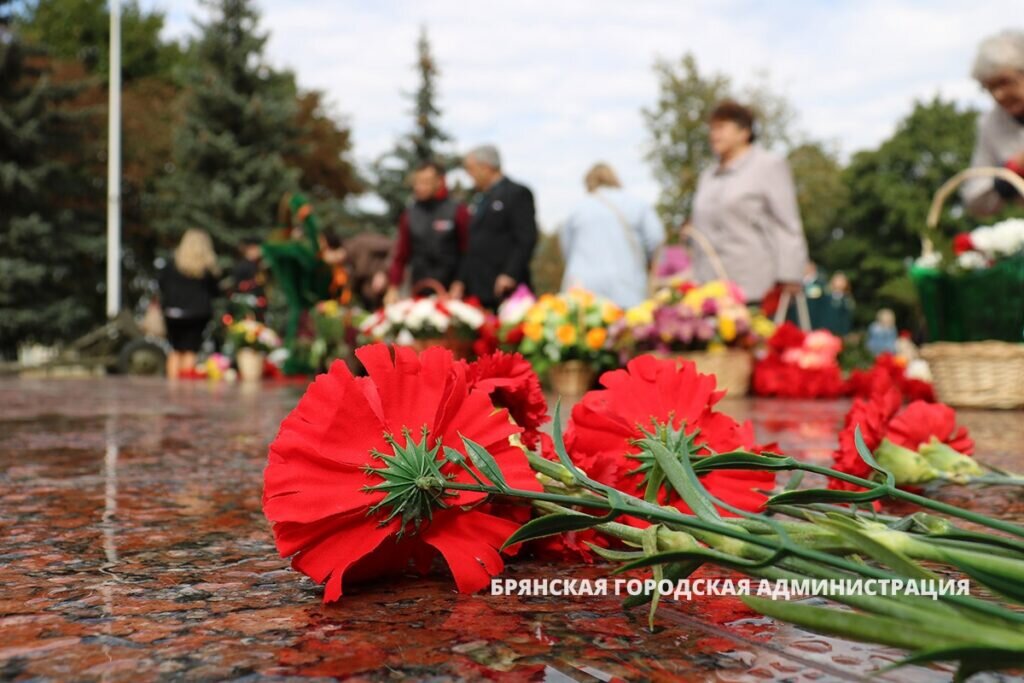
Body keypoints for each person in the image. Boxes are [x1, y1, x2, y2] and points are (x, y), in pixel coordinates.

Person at [688, 100, 808, 305]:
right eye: (712, 129)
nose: (713, 134)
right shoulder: (707, 176)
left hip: (754, 287)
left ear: (744, 132)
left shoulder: (768, 165)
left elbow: (787, 223)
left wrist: (790, 274)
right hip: (709, 289)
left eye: (721, 128)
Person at [559, 162, 663, 308]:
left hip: (582, 290)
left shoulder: (577, 209)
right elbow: (655, 238)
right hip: (627, 286)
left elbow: (568, 250)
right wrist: (647, 264)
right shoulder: (637, 204)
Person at [451, 145, 538, 309]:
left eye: (471, 169)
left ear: (485, 167)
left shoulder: (517, 193)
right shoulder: (479, 199)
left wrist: (510, 273)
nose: (470, 176)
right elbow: (472, 244)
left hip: (505, 290)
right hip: (478, 289)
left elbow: (526, 238)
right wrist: (461, 280)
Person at [381, 160, 469, 303]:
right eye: (416, 182)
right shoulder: (410, 214)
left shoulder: (458, 210)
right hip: (420, 292)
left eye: (425, 182)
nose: (419, 187)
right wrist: (393, 287)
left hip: (453, 293)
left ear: (440, 181)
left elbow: (468, 251)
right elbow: (401, 255)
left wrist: (460, 282)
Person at [963, 30, 1024, 216]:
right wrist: (1005, 179)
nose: (998, 95)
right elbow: (974, 198)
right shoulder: (990, 125)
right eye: (990, 88)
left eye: (1004, 82)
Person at [158, 229, 220, 378]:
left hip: (173, 312)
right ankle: (185, 387)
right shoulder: (207, 268)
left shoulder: (171, 264)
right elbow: (215, 291)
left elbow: (161, 284)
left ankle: (172, 385)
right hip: (197, 313)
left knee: (175, 349)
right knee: (191, 349)